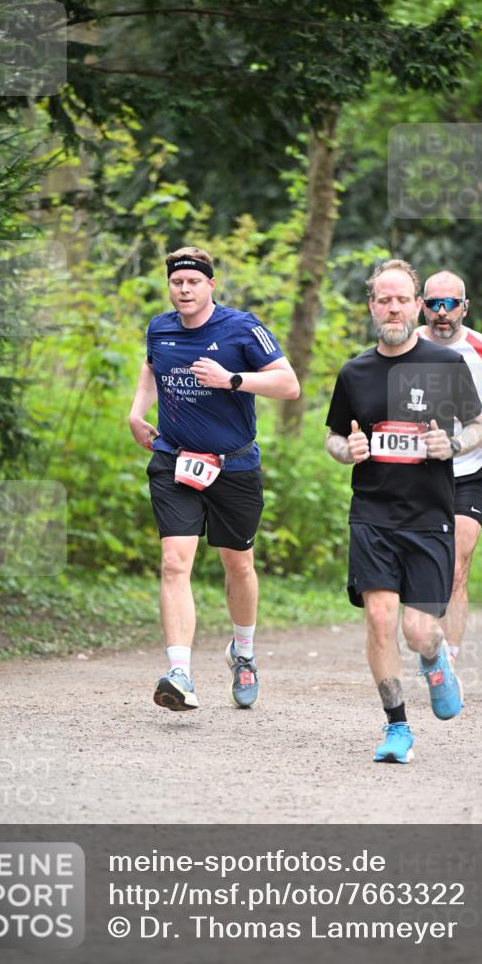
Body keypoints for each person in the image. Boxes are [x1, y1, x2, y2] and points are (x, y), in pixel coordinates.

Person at [325, 259, 482, 764]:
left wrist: (452, 445)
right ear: (372, 307)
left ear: (417, 305)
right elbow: (333, 437)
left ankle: (435, 660)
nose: (393, 308)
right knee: (379, 618)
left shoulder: (444, 364)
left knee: (418, 631)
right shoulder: (354, 372)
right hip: (372, 513)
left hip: (429, 517)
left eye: (402, 300)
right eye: (384, 300)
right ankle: (397, 726)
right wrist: (346, 450)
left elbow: (478, 426)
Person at [128, 246, 299, 712]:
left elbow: (289, 384)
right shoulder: (160, 328)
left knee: (238, 565)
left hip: (234, 466)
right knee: (173, 562)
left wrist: (232, 380)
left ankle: (243, 653)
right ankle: (179, 673)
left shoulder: (242, 328)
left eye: (193, 282)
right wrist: (136, 412)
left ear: (210, 285)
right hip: (174, 461)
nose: (184, 290)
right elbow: (150, 367)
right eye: (177, 282)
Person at [418, 271, 482, 662]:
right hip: (416, 473)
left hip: (469, 471)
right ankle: (424, 639)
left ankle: (448, 663)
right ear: (422, 306)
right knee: (421, 568)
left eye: (450, 304)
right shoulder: (404, 347)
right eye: (434, 304)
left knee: (458, 568)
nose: (442, 312)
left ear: (465, 306)